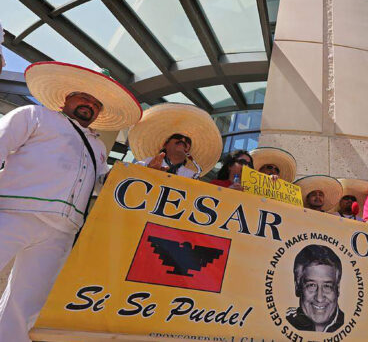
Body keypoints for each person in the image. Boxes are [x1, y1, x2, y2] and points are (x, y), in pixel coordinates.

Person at [0, 61, 142, 341]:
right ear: (66, 99)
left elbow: (105, 185)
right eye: (83, 97)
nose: (89, 104)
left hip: (62, 231)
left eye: (95, 102)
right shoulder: (34, 115)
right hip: (14, 210)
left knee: (27, 301)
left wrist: (141, 173)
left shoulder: (99, 147)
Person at [129, 103, 223, 179]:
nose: (183, 140)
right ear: (165, 144)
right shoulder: (147, 162)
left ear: (188, 150)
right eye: (177, 137)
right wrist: (148, 171)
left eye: (188, 141)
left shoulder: (191, 175)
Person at [286, 244, 344, 332]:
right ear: (298, 287)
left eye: (327, 286)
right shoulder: (286, 321)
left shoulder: (351, 326)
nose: (319, 298)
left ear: (338, 288)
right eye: (311, 285)